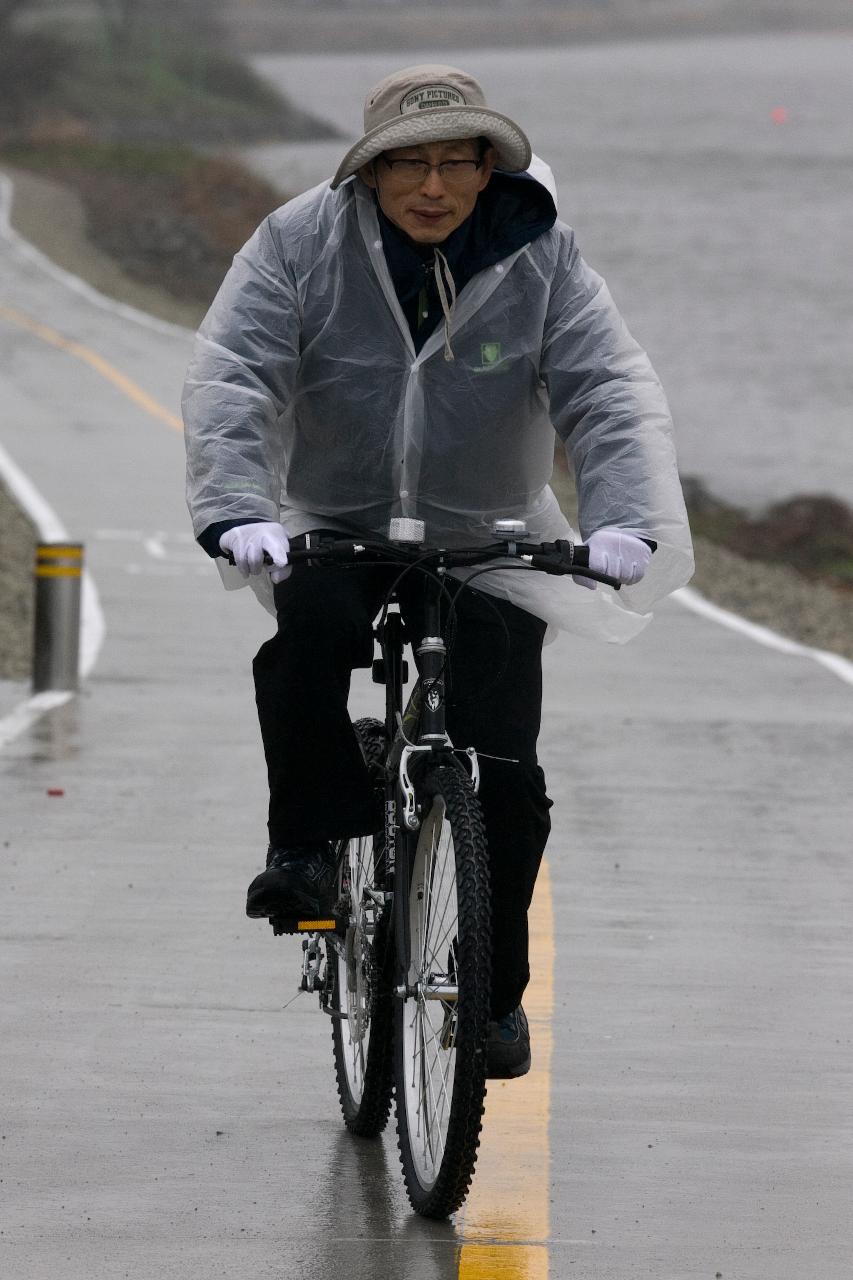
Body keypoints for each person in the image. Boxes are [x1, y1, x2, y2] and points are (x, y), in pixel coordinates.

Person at [183, 64, 693, 1079]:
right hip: (336, 519)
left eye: (454, 161)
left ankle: (493, 995)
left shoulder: (542, 252)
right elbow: (236, 370)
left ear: (488, 165)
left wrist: (625, 520)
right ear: (367, 170)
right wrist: (238, 506)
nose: (431, 185)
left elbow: (607, 390)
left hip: (492, 530)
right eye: (405, 163)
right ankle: (306, 849)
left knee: (504, 773)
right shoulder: (297, 242)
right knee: (308, 640)